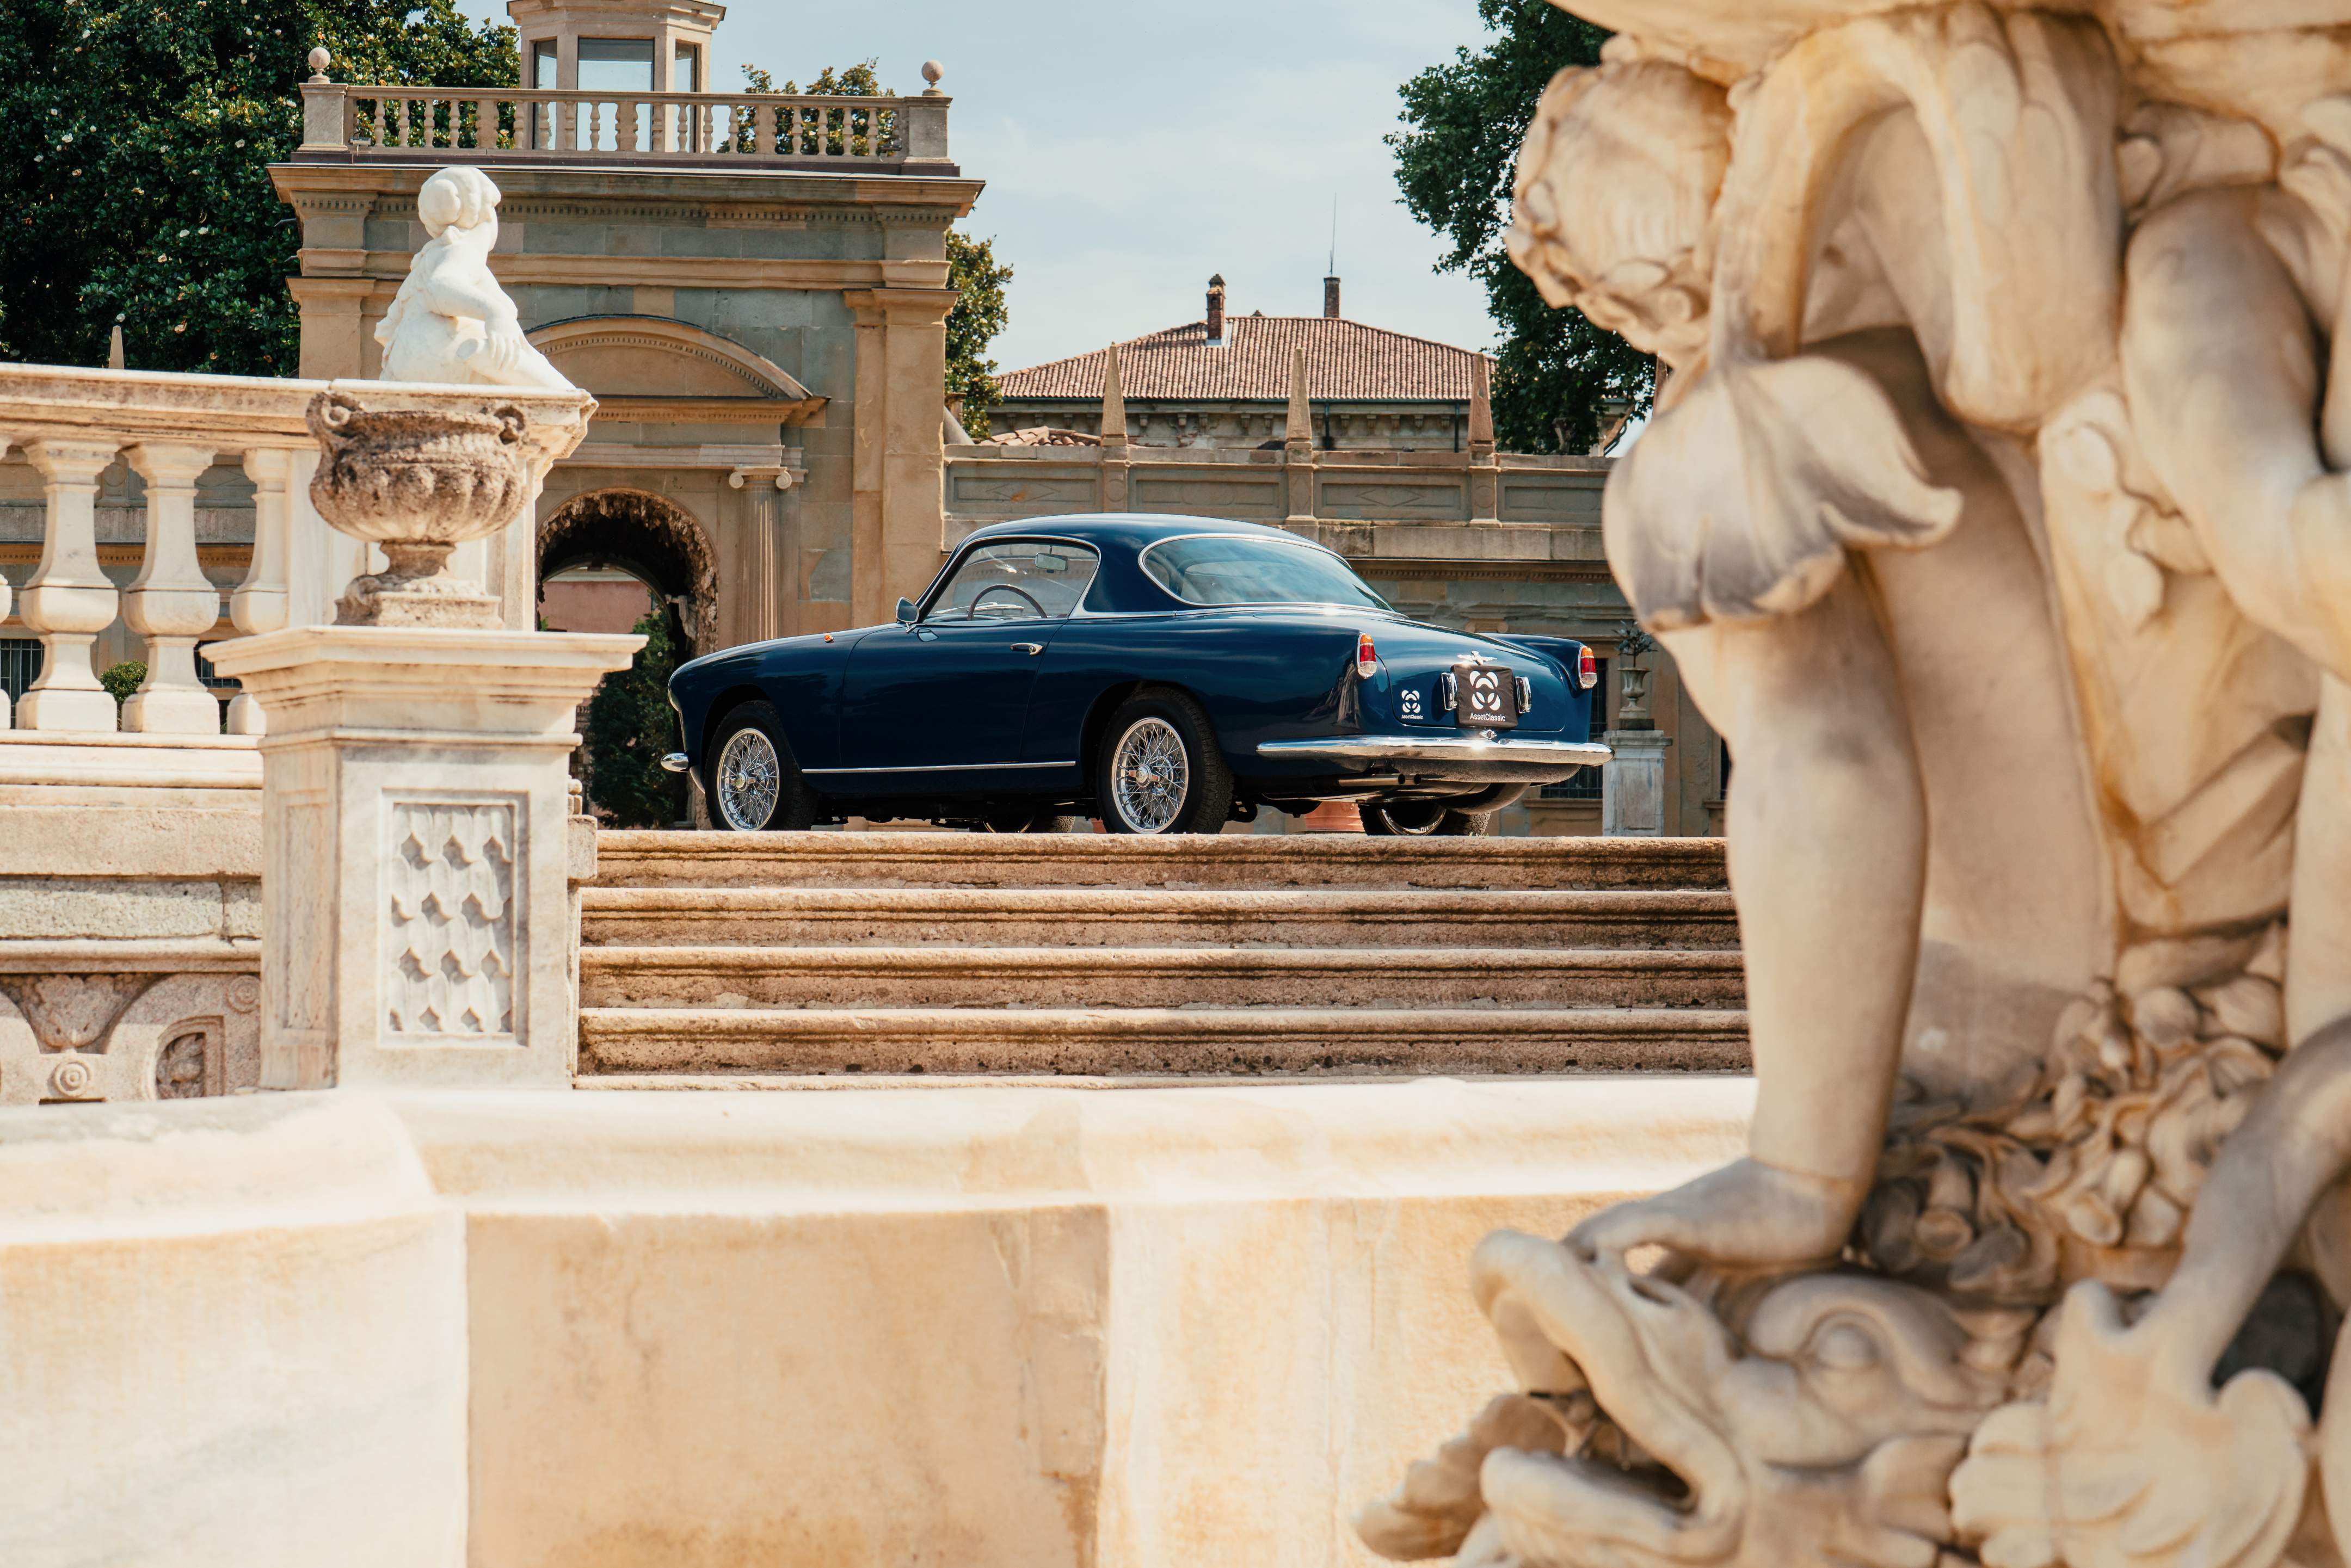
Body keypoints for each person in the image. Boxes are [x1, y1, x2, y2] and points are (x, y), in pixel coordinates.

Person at [1509, 54, 2105, 1270]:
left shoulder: (1729, 447)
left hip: (2000, 1113)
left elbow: (1829, 767)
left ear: (1637, 297)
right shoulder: (1992, 412)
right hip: (2179, 1036)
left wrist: (1799, 1172)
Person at [376, 165, 571, 390]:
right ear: (488, 213)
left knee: (528, 365)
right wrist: (495, 314)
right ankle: (572, 400)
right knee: (553, 387)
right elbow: (440, 286)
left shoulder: (435, 255)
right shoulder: (462, 250)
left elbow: (388, 329)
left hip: (405, 366)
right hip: (445, 355)